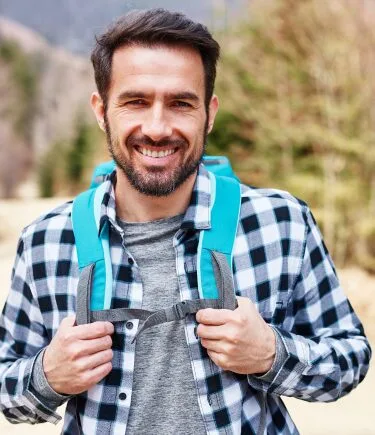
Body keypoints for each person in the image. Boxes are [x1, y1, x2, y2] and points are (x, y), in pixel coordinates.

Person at [0, 8, 371, 435]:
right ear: (101, 111)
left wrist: (272, 353)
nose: (157, 127)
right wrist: (48, 376)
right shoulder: (46, 241)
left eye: (181, 103)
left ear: (209, 113)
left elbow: (351, 360)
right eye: (136, 101)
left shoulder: (283, 224)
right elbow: (8, 394)